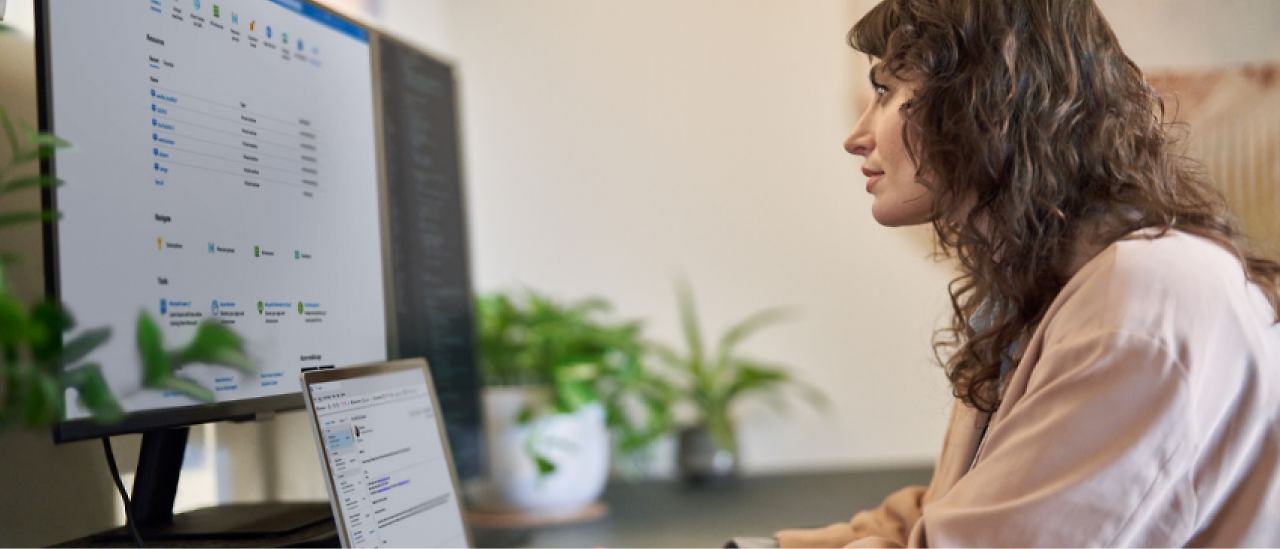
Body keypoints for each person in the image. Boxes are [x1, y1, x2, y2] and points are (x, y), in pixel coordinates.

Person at [734, 0, 1280, 547]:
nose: (856, 136)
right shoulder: (1053, 282)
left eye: (885, 92)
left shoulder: (1142, 296)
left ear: (984, 100)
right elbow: (965, 507)